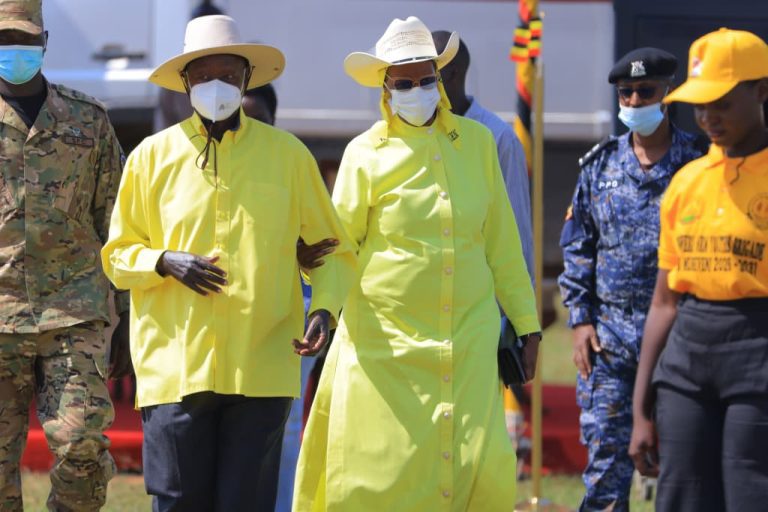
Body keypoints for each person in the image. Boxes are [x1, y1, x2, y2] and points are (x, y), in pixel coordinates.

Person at [101, 15, 355, 511]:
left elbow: (334, 252)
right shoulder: (150, 158)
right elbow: (117, 256)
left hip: (262, 365)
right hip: (175, 367)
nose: (215, 85)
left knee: (247, 503)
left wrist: (324, 309)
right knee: (178, 502)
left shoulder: (289, 157)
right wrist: (164, 261)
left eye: (227, 75)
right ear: (184, 82)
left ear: (246, 79)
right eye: (202, 75)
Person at [293, 17, 541, 511]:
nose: (416, 90)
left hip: (467, 344)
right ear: (385, 88)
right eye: (403, 83)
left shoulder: (478, 144)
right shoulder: (363, 154)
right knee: (381, 477)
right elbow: (340, 250)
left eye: (426, 79)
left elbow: (503, 247)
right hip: (385, 350)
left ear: (440, 80)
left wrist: (527, 326)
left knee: (471, 471)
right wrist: (323, 308)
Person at [558, 47, 707, 511]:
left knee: (687, 472)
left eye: (646, 91)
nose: (636, 101)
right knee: (605, 470)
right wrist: (581, 321)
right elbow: (577, 245)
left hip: (682, 339)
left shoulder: (699, 164)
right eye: (627, 93)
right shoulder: (599, 166)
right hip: (610, 343)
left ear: (668, 94)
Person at [630, 28, 768, 512]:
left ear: (761, 91)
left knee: (750, 491)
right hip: (687, 357)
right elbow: (664, 301)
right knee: (682, 493)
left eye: (722, 103)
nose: (708, 117)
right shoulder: (686, 183)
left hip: (758, 352)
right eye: (700, 106)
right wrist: (640, 407)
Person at [0, 0, 129, 509]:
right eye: (5, 40)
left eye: (25, 40)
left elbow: (117, 221)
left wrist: (127, 313)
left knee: (83, 446)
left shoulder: (87, 120)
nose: (15, 50)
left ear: (45, 43)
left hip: (73, 310)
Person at [431, 30, 534, 280]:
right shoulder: (416, 132)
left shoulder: (498, 138)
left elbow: (516, 229)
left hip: (479, 294)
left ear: (451, 73)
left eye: (428, 71)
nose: (417, 81)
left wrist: (518, 300)